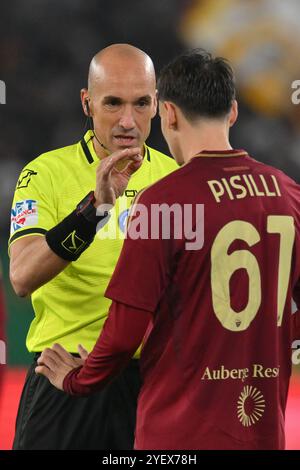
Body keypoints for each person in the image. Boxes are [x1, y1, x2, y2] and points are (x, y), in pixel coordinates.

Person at [36, 49, 300, 450]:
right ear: (232, 112)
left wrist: (77, 379)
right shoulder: (288, 193)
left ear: (168, 113)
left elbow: (125, 334)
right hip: (262, 425)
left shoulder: (163, 201)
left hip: (179, 427)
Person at [9, 44, 178, 450]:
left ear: (156, 104)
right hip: (62, 381)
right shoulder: (45, 173)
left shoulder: (176, 178)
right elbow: (22, 276)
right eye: (113, 103)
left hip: (150, 383)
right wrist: (95, 211)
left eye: (140, 103)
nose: (127, 120)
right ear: (87, 103)